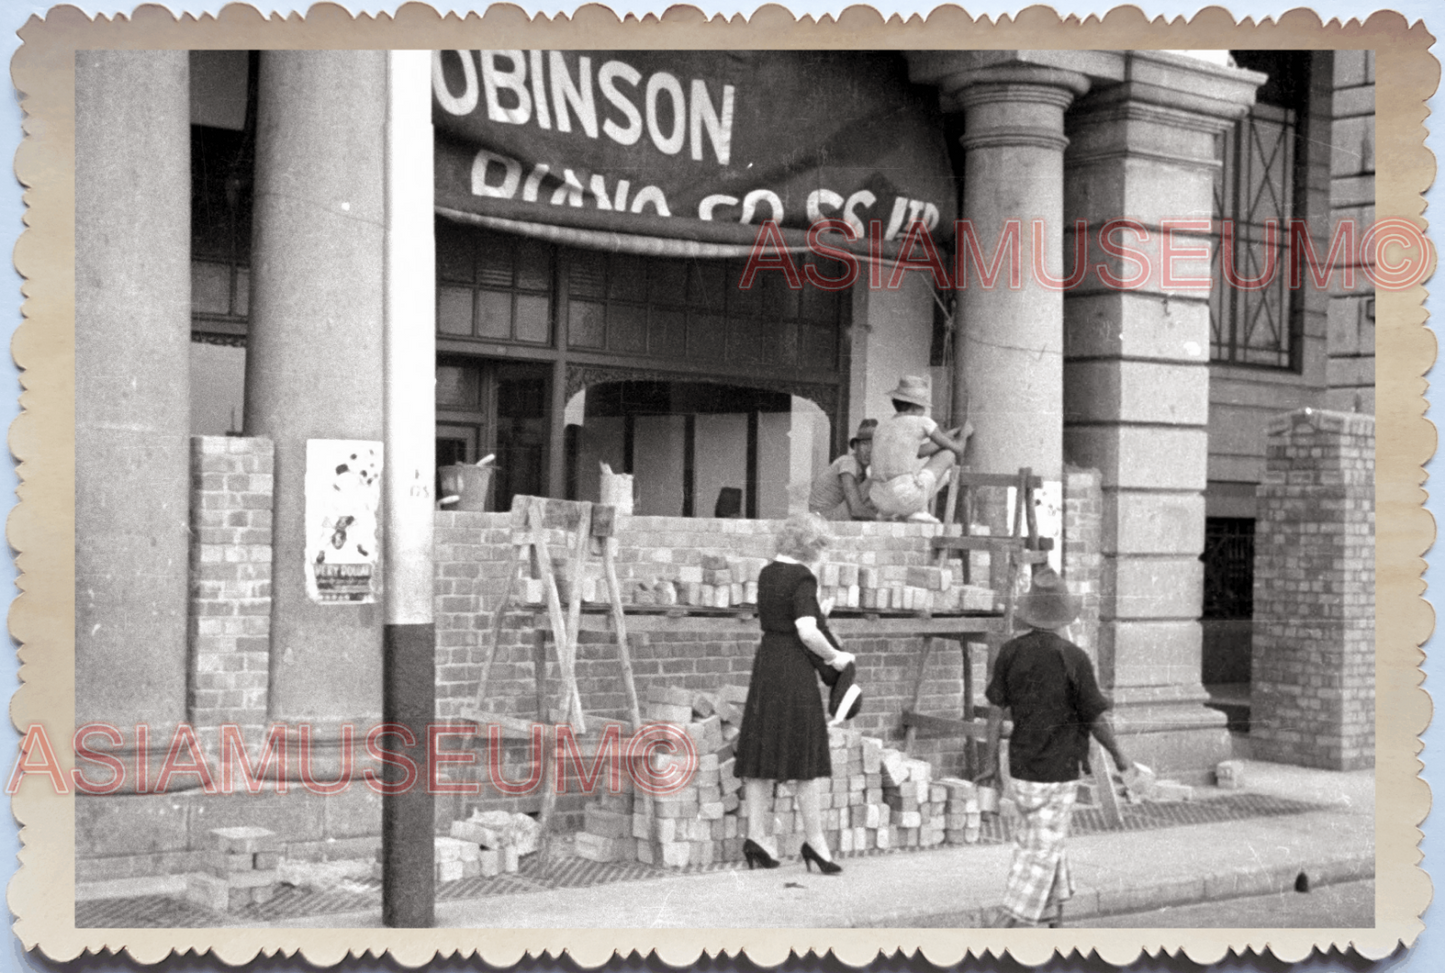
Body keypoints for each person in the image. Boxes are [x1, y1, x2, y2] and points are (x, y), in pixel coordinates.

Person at [981, 568, 1131, 928]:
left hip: (1019, 768)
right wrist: (1121, 758)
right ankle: (1004, 926)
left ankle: (1054, 921)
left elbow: (995, 712)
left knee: (1046, 842)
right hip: (1059, 771)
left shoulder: (1010, 652)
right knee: (1039, 853)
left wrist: (990, 766)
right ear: (1064, 615)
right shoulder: (1073, 657)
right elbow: (1095, 719)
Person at [734, 514, 856, 875]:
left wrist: (817, 612)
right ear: (811, 547)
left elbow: (785, 616)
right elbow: (805, 630)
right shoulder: (804, 576)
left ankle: (757, 839)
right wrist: (834, 656)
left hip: (767, 663)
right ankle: (816, 843)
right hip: (793, 669)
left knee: (760, 754)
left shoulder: (768, 572)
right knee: (804, 759)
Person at [866, 375, 972, 523]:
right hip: (905, 497)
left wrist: (945, 437)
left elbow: (920, 452)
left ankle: (909, 511)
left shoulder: (881, 426)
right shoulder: (923, 422)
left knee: (920, 472)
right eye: (923, 407)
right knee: (948, 455)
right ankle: (918, 509)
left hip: (879, 499)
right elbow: (958, 450)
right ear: (916, 406)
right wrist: (964, 435)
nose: (923, 411)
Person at [807, 419, 878, 521]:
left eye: (874, 445)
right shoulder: (848, 462)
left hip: (829, 516)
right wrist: (883, 519)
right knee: (877, 481)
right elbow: (856, 510)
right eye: (865, 444)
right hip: (825, 517)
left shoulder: (860, 469)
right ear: (856, 446)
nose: (869, 450)